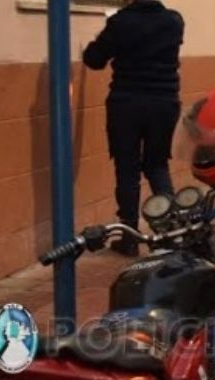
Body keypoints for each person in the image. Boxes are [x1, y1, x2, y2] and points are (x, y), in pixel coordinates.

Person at [83, 0, 184, 256]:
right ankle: (171, 232)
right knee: (157, 165)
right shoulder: (173, 21)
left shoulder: (121, 22)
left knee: (127, 168)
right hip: (164, 102)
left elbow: (94, 60)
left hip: (126, 104)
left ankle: (128, 237)